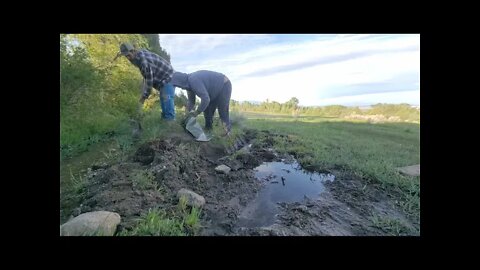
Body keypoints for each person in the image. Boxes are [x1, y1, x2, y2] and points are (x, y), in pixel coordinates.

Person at [117, 43, 175, 120]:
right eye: (125, 56)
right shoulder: (139, 55)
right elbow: (146, 76)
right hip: (162, 79)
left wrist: (144, 97)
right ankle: (165, 120)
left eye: (128, 55)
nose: (128, 58)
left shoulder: (143, 61)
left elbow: (149, 81)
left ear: (133, 51)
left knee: (166, 98)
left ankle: (170, 121)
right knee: (163, 98)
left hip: (169, 76)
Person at [171, 70, 232, 135]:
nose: (181, 88)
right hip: (213, 91)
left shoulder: (193, 80)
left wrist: (196, 112)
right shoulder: (188, 85)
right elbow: (191, 102)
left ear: (181, 81)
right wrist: (187, 114)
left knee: (223, 110)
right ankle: (208, 130)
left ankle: (227, 133)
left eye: (180, 86)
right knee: (207, 110)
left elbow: (205, 99)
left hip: (224, 84)